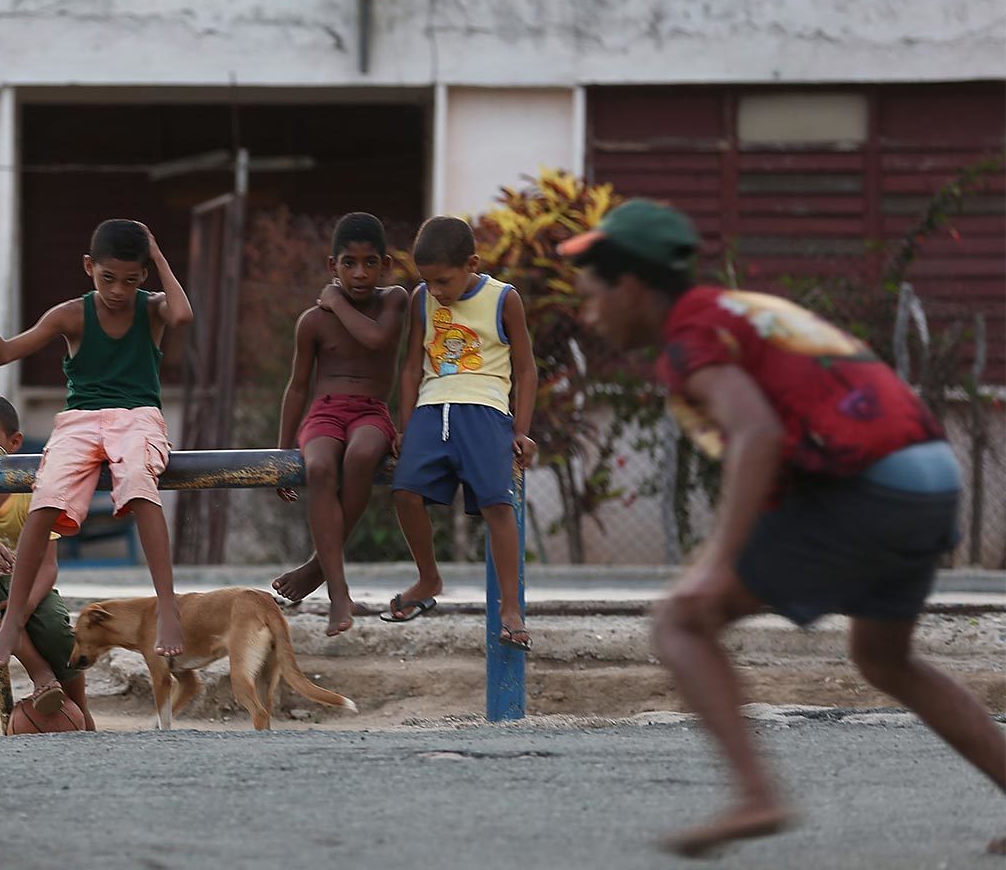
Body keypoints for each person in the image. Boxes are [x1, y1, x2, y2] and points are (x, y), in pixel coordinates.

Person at [562, 198, 1006, 857]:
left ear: (631, 286)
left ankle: (755, 797)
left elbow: (757, 434)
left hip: (872, 481)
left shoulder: (693, 336)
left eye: (592, 295)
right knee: (884, 657)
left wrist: (718, 560)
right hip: (931, 475)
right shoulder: (737, 311)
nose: (587, 313)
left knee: (682, 620)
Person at [0, 218, 193, 665]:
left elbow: (183, 315)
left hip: (137, 416)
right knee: (47, 496)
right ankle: (13, 619)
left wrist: (156, 254)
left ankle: (168, 606)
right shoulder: (72, 315)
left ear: (145, 275)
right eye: (108, 278)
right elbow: (2, 352)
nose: (119, 290)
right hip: (80, 421)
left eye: (131, 279)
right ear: (88, 267)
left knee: (139, 481)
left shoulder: (152, 308)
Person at [385, 216, 537, 652]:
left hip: (486, 411)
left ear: (472, 263)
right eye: (426, 281)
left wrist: (522, 429)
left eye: (443, 280)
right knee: (405, 492)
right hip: (433, 408)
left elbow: (526, 370)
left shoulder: (503, 300)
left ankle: (511, 607)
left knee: (496, 502)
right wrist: (407, 423)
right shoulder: (421, 299)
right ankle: (429, 577)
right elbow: (413, 364)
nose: (435, 290)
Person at [269, 213, 408, 636]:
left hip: (371, 411)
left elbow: (377, 340)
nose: (360, 273)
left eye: (370, 263)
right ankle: (339, 593)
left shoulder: (395, 300)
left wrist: (338, 301)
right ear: (333, 266)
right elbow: (297, 388)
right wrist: (279, 452)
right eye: (349, 263)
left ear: (385, 265)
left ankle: (317, 568)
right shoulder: (312, 321)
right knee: (322, 467)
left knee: (364, 453)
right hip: (324, 412)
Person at [0, 394, 94, 728]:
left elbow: (48, 566)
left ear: (14, 442)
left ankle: (81, 712)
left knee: (55, 627)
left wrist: (21, 612)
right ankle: (39, 673)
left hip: (27, 593)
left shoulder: (30, 490)